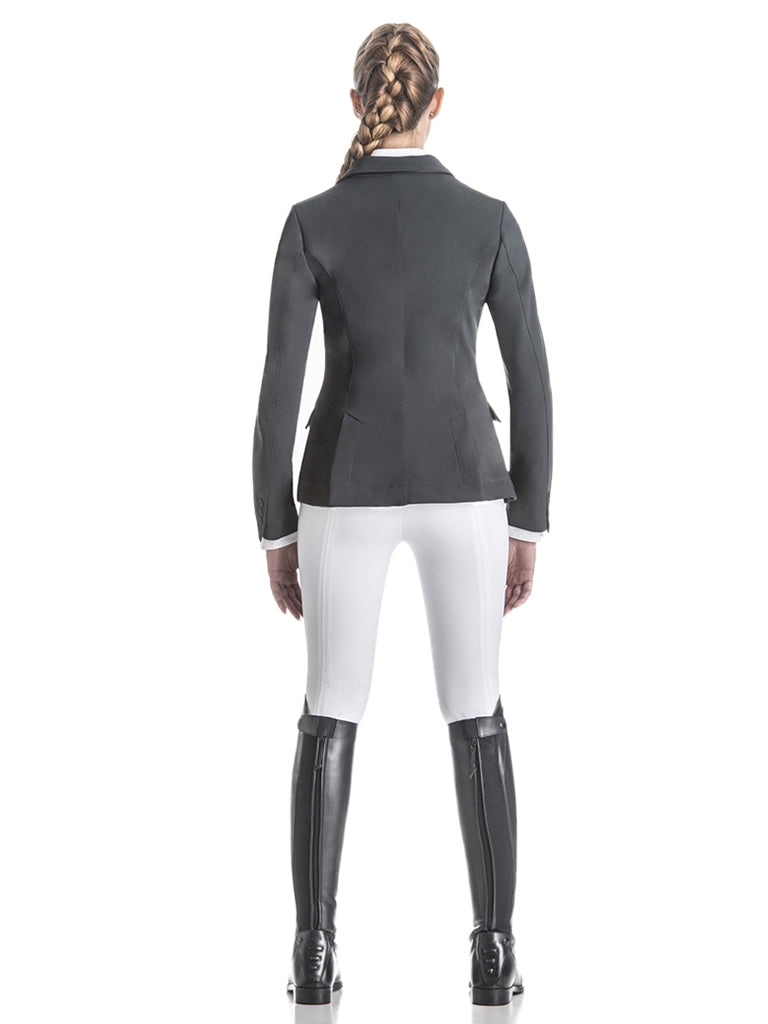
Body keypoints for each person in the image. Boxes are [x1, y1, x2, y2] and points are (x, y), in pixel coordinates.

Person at [251, 22, 553, 1007]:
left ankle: (313, 952)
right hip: (467, 485)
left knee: (329, 710)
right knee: (477, 711)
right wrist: (528, 519)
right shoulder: (490, 221)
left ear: (357, 105)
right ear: (438, 105)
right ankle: (493, 953)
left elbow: (277, 391)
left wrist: (276, 529)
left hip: (344, 487)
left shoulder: (311, 222)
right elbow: (533, 383)